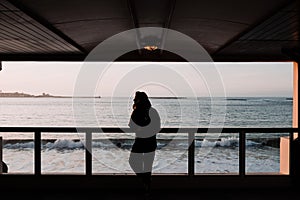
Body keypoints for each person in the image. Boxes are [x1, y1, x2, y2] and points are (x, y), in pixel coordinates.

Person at [128, 91, 160, 194]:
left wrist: (142, 129)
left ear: (140, 100)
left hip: (146, 141)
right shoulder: (137, 111)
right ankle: (146, 181)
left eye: (135, 98)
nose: (134, 100)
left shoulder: (151, 111)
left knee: (144, 165)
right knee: (136, 162)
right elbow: (131, 125)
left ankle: (146, 186)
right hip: (144, 141)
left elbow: (157, 127)